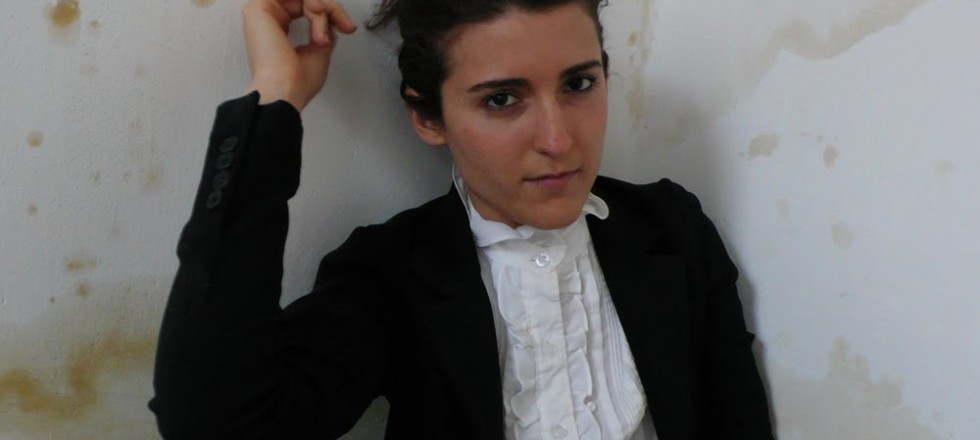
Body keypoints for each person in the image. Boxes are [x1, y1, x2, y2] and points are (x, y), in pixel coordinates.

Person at [149, 0, 774, 438]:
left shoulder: (671, 227)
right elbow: (215, 423)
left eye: (580, 85)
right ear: (428, 118)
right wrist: (275, 97)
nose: (558, 140)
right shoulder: (392, 272)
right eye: (502, 99)